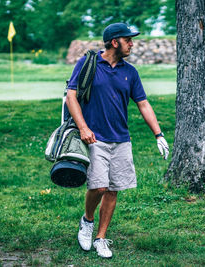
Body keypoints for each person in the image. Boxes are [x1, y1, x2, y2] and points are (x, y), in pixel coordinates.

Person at [66, 22, 169, 259]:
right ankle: (87, 221)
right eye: (128, 39)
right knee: (99, 186)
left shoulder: (130, 71)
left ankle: (101, 238)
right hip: (95, 138)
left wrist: (159, 134)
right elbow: (71, 96)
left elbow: (143, 103)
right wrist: (83, 127)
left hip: (121, 140)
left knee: (113, 190)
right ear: (115, 42)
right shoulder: (88, 63)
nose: (132, 44)